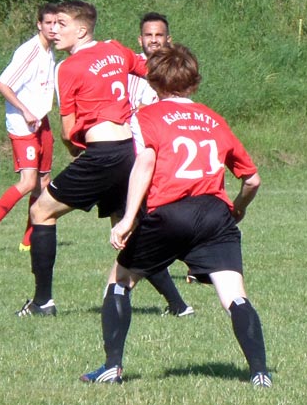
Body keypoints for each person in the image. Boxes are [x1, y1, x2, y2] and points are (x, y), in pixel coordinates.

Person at [80, 44, 271, 388]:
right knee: (234, 296)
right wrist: (238, 208)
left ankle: (111, 367)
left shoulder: (146, 117)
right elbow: (252, 180)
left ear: (152, 82)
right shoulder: (214, 119)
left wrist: (127, 219)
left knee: (119, 282)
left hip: (169, 213)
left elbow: (145, 163)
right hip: (215, 214)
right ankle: (259, 373)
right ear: (195, 82)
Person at [16, 0, 147, 317]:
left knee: (41, 211)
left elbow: (67, 130)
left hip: (101, 154)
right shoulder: (116, 49)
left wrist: (76, 150)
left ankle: (42, 302)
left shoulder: (67, 67)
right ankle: (174, 304)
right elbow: (152, 71)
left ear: (82, 30)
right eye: (52, 24)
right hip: (128, 151)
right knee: (125, 225)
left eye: (62, 24)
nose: (54, 30)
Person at [0, 4, 57, 253]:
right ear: (39, 24)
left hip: (41, 121)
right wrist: (25, 111)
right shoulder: (30, 51)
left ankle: (28, 242)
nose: (53, 28)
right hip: (23, 124)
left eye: (57, 23)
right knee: (28, 182)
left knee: (43, 181)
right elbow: (2, 84)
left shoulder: (50, 50)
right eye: (48, 23)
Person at [126, 12, 194, 317]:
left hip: (168, 160)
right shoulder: (129, 70)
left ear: (168, 38)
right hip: (135, 156)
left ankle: (179, 298)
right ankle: (179, 300)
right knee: (139, 227)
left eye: (159, 35)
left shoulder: (175, 71)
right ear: (140, 39)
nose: (153, 40)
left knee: (144, 230)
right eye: (148, 35)